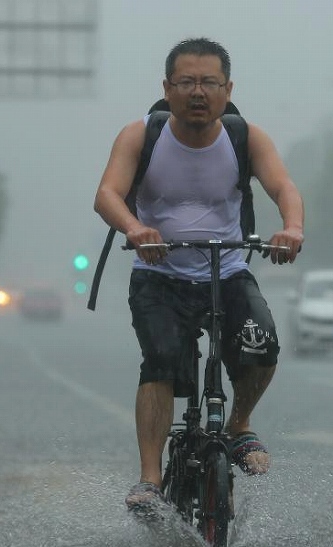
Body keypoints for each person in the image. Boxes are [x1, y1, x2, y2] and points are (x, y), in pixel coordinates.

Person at [93, 37, 305, 511]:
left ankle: (239, 426)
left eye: (209, 82)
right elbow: (107, 193)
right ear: (167, 88)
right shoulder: (140, 135)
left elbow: (283, 185)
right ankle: (149, 480)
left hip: (226, 270)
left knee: (262, 344)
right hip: (159, 273)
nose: (198, 92)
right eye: (186, 81)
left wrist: (291, 228)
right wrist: (136, 228)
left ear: (227, 89)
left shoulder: (245, 137)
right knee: (162, 362)